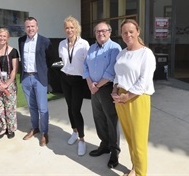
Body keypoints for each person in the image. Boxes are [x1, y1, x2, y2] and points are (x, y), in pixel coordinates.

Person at [111, 19, 156, 176]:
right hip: (121, 98)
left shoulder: (146, 54)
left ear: (138, 32)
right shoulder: (122, 53)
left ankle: (141, 173)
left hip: (137, 98)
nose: (128, 34)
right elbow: (117, 75)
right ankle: (135, 168)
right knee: (130, 138)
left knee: (139, 141)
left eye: (131, 31)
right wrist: (114, 90)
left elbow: (144, 81)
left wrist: (127, 96)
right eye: (124, 32)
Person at [83, 22, 121, 168]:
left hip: (106, 88)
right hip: (93, 89)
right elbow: (85, 67)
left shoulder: (114, 48)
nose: (100, 33)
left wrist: (96, 86)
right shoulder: (91, 48)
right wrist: (89, 84)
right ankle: (104, 145)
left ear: (109, 32)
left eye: (104, 31)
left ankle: (114, 151)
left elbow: (111, 71)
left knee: (111, 120)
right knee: (98, 118)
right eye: (97, 31)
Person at [18, 17, 54, 146]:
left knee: (43, 108)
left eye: (32, 26)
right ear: (25, 28)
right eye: (28, 26)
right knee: (31, 106)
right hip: (26, 78)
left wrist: (43, 71)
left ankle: (44, 132)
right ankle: (35, 128)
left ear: (37, 27)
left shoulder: (45, 41)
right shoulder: (21, 40)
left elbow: (50, 59)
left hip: (39, 78)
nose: (30, 28)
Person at [58, 16, 90, 156]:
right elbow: (62, 60)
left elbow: (88, 63)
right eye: (67, 28)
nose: (69, 30)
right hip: (65, 78)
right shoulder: (61, 44)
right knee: (70, 107)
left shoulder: (84, 44)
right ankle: (74, 131)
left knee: (76, 110)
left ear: (76, 28)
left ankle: (82, 139)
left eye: (72, 27)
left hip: (78, 80)